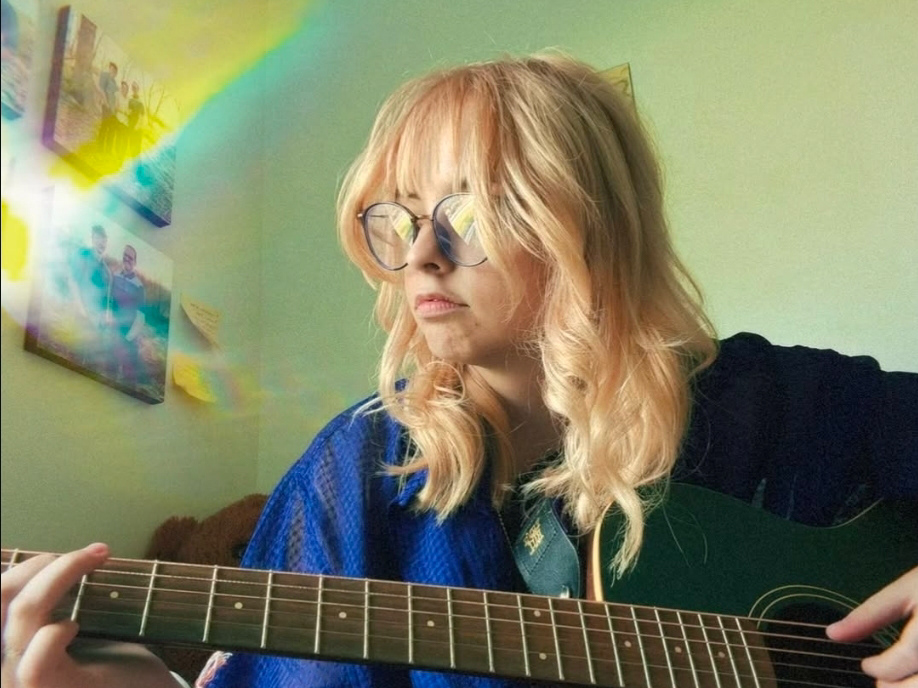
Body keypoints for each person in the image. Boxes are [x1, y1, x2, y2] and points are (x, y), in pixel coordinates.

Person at [2, 53, 916, 688]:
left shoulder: (783, 401)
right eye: (398, 219)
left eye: (468, 213)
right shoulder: (358, 470)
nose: (420, 255)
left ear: (588, 224)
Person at [67, 224, 112, 365]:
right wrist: (80, 309)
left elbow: (107, 299)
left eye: (104, 239)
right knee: (72, 360)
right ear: (92, 239)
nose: (101, 242)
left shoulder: (107, 272)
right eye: (98, 238)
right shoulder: (83, 255)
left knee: (89, 364)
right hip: (81, 317)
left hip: (97, 325)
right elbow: (73, 281)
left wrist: (106, 315)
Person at [107, 244, 147, 387]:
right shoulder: (115, 277)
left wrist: (128, 338)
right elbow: (109, 301)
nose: (127, 259)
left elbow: (141, 317)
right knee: (109, 371)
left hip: (128, 336)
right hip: (113, 331)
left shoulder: (139, 286)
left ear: (135, 262)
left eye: (131, 258)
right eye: (125, 256)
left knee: (128, 379)